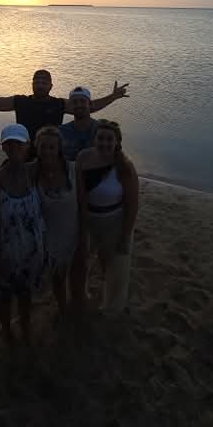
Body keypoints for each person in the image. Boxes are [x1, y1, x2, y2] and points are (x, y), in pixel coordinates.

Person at [0, 123, 46, 346]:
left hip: (32, 251)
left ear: (28, 146)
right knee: (5, 297)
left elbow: (59, 159)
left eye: (19, 144)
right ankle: (7, 329)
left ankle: (26, 326)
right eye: (9, 144)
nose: (14, 148)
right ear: (3, 148)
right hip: (6, 254)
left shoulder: (33, 173)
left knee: (26, 295)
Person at [0, 67, 129, 141]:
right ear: (32, 84)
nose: (40, 84)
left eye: (44, 81)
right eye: (37, 81)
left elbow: (89, 108)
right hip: (22, 151)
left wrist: (112, 97)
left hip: (51, 153)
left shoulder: (59, 104)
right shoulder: (21, 101)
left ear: (51, 86)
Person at [76, 119, 139, 315]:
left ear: (117, 142)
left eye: (109, 139)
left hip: (115, 222)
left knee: (116, 267)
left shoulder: (125, 167)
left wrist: (125, 235)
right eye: (100, 138)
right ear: (94, 139)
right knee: (81, 261)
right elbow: (79, 195)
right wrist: (82, 224)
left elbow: (132, 205)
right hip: (88, 220)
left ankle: (111, 306)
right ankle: (81, 295)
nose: (104, 142)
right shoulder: (83, 158)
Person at [30, 126, 84, 317]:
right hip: (48, 238)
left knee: (77, 275)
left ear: (59, 148)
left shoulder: (73, 168)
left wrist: (84, 234)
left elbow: (82, 202)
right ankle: (62, 308)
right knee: (57, 278)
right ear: (36, 148)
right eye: (43, 147)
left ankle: (78, 304)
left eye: (52, 147)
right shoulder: (32, 172)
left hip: (73, 233)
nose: (47, 151)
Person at [58, 86, 99, 161]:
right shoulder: (61, 131)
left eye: (82, 101)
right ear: (70, 105)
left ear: (90, 104)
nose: (79, 105)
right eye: (74, 102)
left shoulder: (101, 129)